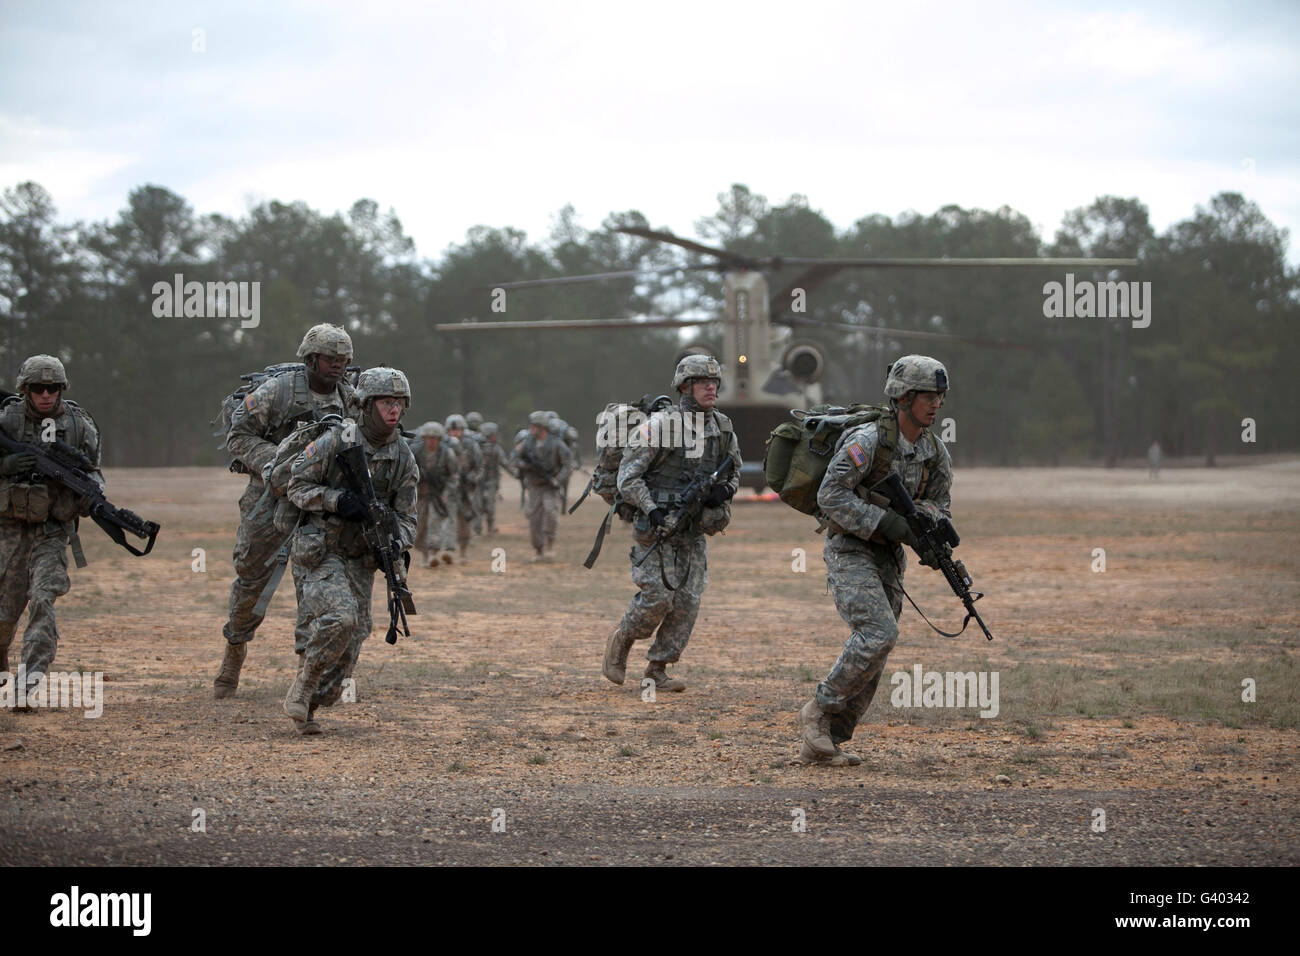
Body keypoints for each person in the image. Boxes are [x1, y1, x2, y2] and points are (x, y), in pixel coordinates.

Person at [796, 355, 953, 766]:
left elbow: (940, 504)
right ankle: (818, 711)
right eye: (927, 397)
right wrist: (885, 520)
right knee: (878, 633)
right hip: (850, 548)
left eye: (940, 397)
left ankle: (829, 739)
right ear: (903, 398)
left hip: (889, 556)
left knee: (880, 648)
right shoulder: (867, 441)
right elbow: (830, 496)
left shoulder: (934, 452)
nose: (936, 405)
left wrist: (925, 530)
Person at [214, 324, 356, 699]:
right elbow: (238, 435)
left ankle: (305, 676)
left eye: (343, 360)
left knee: (313, 582)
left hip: (317, 504)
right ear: (310, 359)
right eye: (330, 359)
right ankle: (235, 648)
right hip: (270, 497)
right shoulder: (277, 392)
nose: (337, 366)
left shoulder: (351, 399)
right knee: (251, 576)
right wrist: (276, 464)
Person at [283, 367, 418, 735]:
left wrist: (395, 540)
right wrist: (336, 500)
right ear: (366, 404)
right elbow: (296, 485)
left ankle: (311, 704)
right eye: (387, 402)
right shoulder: (337, 441)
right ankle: (303, 685)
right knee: (339, 618)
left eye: (400, 403)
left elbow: (409, 518)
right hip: (321, 549)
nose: (394, 410)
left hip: (362, 556)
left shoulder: (403, 456)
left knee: (354, 636)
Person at [602, 355, 740, 692]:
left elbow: (733, 469)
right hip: (657, 529)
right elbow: (628, 478)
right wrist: (652, 510)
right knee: (657, 599)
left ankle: (657, 669)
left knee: (687, 602)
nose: (711, 387)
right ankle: (621, 640)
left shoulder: (721, 427)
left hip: (693, 532)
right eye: (702, 381)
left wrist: (723, 490)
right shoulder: (660, 426)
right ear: (684, 386)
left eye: (715, 382)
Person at [0, 356, 102, 691]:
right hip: (10, 530)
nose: (46, 395)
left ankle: (27, 684)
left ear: (62, 389)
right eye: (38, 388)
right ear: (24, 390)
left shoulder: (78, 426)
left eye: (53, 388)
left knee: (43, 600)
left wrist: (94, 495)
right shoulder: (7, 421)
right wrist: (7, 465)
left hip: (53, 531)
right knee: (5, 614)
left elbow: (93, 472)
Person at [509, 411, 574, 562]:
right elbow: (514, 459)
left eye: (534, 426)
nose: (531, 429)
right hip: (534, 486)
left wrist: (558, 480)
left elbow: (568, 465)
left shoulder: (556, 443)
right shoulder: (527, 443)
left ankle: (550, 544)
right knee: (534, 519)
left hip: (551, 486)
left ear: (542, 427)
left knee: (551, 512)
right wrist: (523, 466)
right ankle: (538, 550)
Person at [411, 421, 459, 567]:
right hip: (420, 494)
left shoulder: (447, 454)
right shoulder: (415, 452)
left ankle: (433, 554)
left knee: (434, 522)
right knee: (420, 526)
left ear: (439, 439)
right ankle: (425, 554)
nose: (431, 441)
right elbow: (407, 473)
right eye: (428, 438)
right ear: (424, 438)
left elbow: (454, 476)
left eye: (435, 438)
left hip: (438, 494)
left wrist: (447, 493)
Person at [445, 414, 482, 561]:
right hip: (449, 488)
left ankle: (463, 550)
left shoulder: (471, 445)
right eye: (452, 430)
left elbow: (480, 467)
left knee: (464, 520)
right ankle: (448, 549)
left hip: (466, 489)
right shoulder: (444, 445)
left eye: (458, 430)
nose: (455, 433)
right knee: (448, 518)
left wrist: (472, 477)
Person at [478, 422, 504, 534]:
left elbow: (504, 462)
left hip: (491, 481)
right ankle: (477, 528)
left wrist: (516, 474)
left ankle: (490, 526)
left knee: (489, 505)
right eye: (494, 434)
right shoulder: (477, 447)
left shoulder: (496, 449)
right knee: (478, 505)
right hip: (478, 481)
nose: (496, 436)